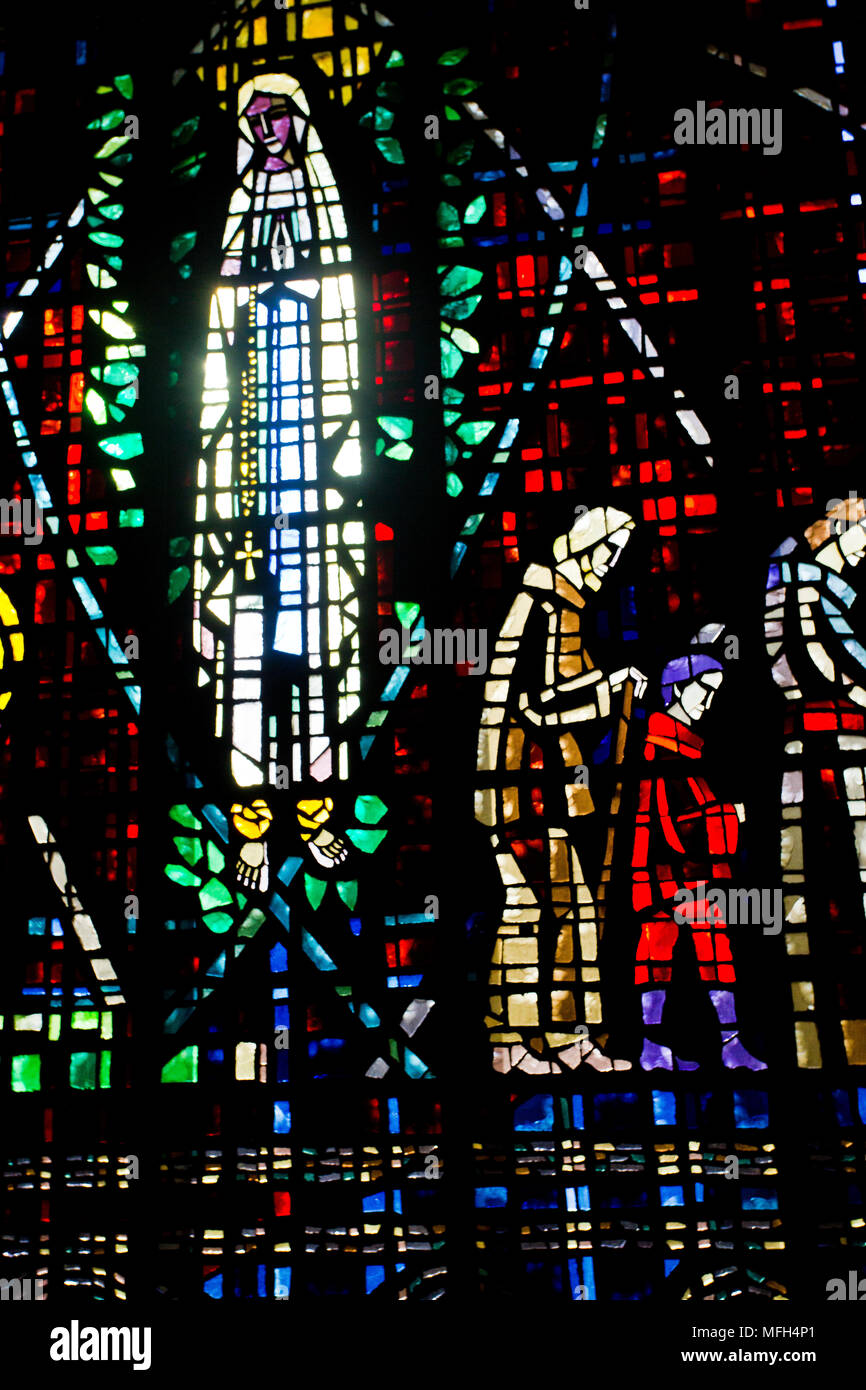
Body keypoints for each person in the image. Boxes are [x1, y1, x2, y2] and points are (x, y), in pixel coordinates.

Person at [192, 75, 364, 892]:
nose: (266, 130)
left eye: (277, 116)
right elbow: (218, 317)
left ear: (299, 121)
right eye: (253, 120)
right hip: (251, 463)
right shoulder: (243, 202)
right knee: (248, 659)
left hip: (314, 467)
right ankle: (253, 825)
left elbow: (344, 321)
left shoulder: (321, 205)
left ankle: (320, 812)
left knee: (322, 646)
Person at [475, 504, 645, 1074]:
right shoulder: (544, 601)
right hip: (520, 783)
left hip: (551, 783)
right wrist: (610, 686)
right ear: (577, 544)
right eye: (604, 551)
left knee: (575, 908)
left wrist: (610, 686)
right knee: (527, 908)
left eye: (616, 557)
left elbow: (570, 687)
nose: (608, 565)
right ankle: (510, 1043)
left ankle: (567, 1034)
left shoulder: (563, 604)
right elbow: (537, 701)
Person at [631, 650, 766, 1070]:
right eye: (702, 692)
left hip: (683, 873)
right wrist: (731, 814)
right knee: (667, 957)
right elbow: (673, 821)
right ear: (674, 689)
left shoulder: (683, 748)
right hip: (673, 874)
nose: (708, 704)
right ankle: (658, 1048)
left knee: (701, 954)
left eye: (713, 695)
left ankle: (723, 1043)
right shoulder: (663, 747)